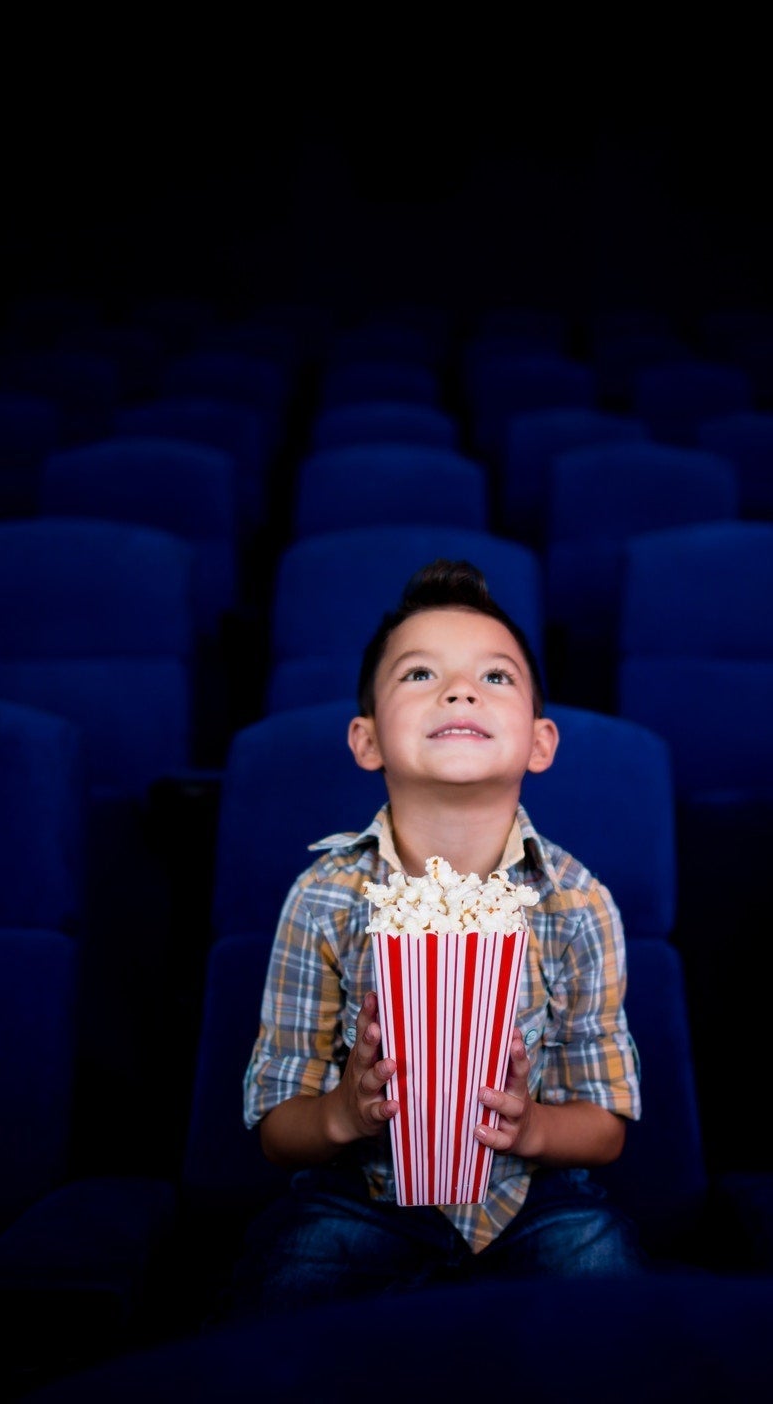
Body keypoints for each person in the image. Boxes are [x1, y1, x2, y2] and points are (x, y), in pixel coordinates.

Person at [231, 558, 644, 1316]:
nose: (459, 690)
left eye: (496, 678)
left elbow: (605, 1127)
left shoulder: (578, 902)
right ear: (366, 740)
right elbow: (279, 1130)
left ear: (541, 743)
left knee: (600, 1260)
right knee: (287, 1274)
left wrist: (533, 1126)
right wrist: (342, 1115)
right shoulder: (324, 898)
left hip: (533, 1201)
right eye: (419, 675)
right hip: (361, 1195)